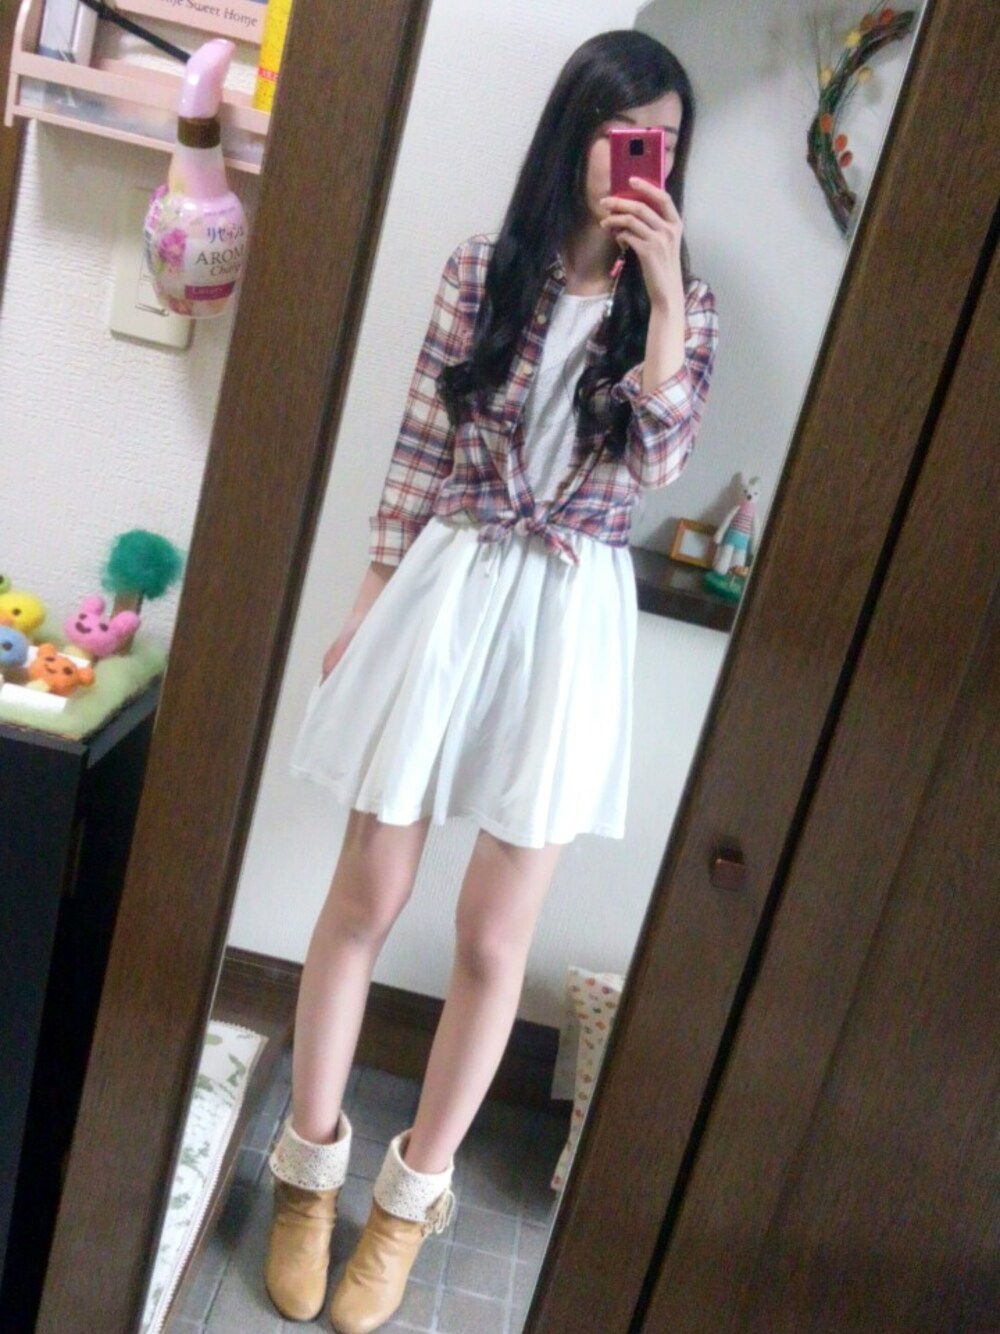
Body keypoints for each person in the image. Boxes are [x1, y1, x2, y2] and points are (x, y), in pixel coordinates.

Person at [264, 27, 718, 1334]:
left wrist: (665, 296)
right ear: (575, 132)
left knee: (490, 936)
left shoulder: (687, 311)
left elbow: (655, 469)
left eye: (663, 143)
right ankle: (308, 1173)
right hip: (450, 585)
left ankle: (410, 1203)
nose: (640, 160)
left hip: (569, 615)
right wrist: (366, 606)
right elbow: (419, 448)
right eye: (623, 133)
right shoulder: (483, 269)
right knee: (367, 893)